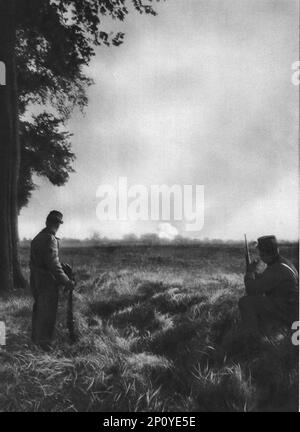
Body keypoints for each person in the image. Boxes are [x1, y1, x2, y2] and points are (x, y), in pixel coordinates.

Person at [30, 211, 74, 350]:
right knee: (48, 312)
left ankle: (36, 340)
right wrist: (67, 281)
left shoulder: (37, 238)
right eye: (58, 224)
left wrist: (60, 265)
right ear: (56, 224)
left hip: (36, 280)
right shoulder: (50, 239)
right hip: (47, 282)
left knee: (38, 309)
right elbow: (53, 265)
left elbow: (41, 261)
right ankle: (44, 345)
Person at [239, 235, 299, 338]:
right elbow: (269, 281)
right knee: (261, 302)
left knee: (246, 302)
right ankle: (266, 334)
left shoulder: (277, 269)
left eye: (261, 253)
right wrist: (257, 275)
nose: (260, 256)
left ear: (264, 253)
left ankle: (254, 340)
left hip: (287, 313)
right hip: (291, 309)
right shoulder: (284, 263)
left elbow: (251, 290)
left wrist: (249, 273)